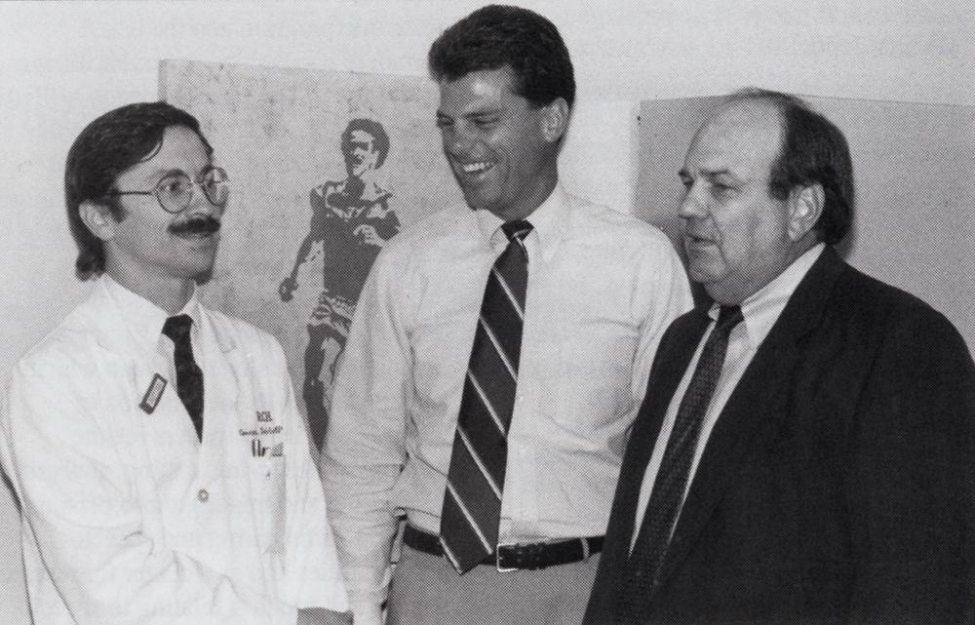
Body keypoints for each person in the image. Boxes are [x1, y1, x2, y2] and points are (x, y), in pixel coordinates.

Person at [321, 6, 692, 625]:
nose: (458, 145)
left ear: (552, 118)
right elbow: (361, 455)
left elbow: (675, 457)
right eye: (447, 122)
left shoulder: (640, 263)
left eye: (483, 121)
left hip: (582, 592)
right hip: (433, 589)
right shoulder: (408, 264)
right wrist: (360, 606)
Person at [582, 89, 975, 625]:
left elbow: (917, 587)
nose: (689, 207)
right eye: (688, 182)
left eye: (721, 187)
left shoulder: (901, 345)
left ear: (802, 210)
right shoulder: (683, 341)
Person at [0, 102, 351, 625]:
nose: (203, 206)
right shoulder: (53, 378)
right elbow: (111, 581)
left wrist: (329, 613)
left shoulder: (256, 354)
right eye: (171, 188)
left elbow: (304, 526)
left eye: (208, 181)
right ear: (100, 216)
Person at [279, 118, 400, 450]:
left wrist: (379, 240)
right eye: (350, 145)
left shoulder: (385, 207)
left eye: (362, 147)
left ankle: (345, 456)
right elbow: (314, 239)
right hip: (330, 299)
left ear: (376, 155)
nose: (354, 153)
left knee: (349, 388)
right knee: (312, 382)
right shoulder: (327, 194)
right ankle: (324, 455)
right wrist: (294, 276)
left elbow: (403, 260)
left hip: (363, 309)